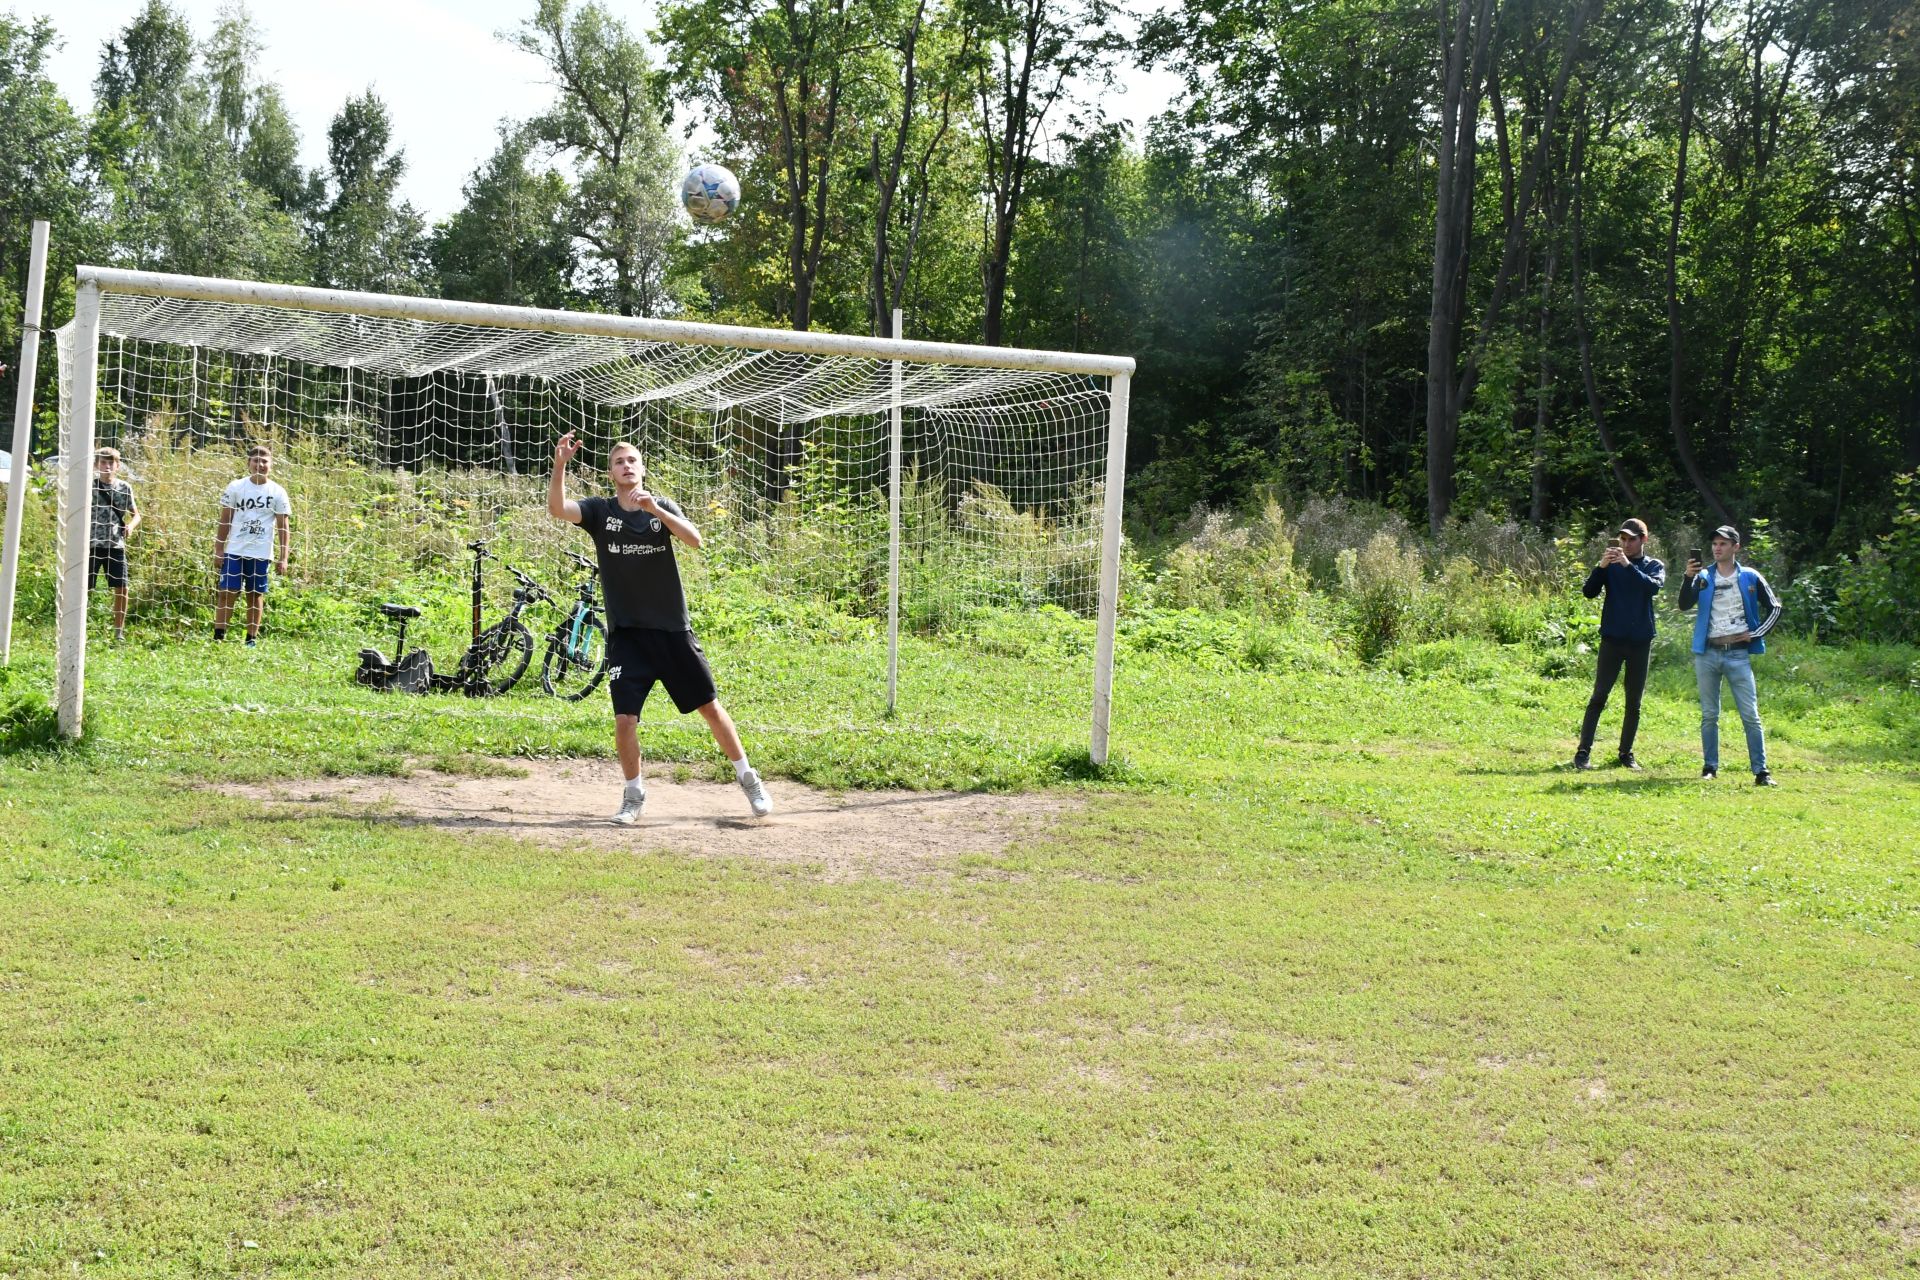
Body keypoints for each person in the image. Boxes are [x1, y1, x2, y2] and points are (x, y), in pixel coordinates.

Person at [547, 430, 773, 824]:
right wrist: (560, 464)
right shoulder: (600, 512)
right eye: (619, 462)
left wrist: (657, 511)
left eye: (632, 460)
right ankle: (633, 796)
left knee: (710, 708)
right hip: (628, 636)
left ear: (642, 469)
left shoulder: (660, 507)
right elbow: (557, 509)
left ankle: (749, 780)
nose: (626, 466)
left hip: (671, 631)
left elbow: (696, 540)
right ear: (611, 473)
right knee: (624, 720)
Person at [1678, 525, 1782, 785]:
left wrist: (1756, 634)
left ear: (1736, 547)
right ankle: (1710, 767)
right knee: (1709, 714)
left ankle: (1761, 772)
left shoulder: (1750, 576)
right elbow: (1683, 605)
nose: (1717, 548)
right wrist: (1686, 577)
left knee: (1750, 714)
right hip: (1708, 654)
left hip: (1738, 655)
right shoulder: (1702, 576)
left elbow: (1775, 608)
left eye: (1723, 544)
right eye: (1714, 543)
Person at [1572, 517, 1666, 770]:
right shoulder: (1610, 566)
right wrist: (1601, 567)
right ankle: (1583, 753)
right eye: (1622, 539)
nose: (1625, 544)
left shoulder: (1653, 565)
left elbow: (1651, 588)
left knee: (1633, 702)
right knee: (1599, 696)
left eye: (1631, 540)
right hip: (1612, 640)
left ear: (1643, 540)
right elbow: (1589, 592)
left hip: (1640, 642)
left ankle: (1626, 753)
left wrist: (1627, 565)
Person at [213, 444, 291, 646]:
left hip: (261, 553)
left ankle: (251, 640)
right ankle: (218, 637)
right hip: (234, 551)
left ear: (271, 465)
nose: (260, 464)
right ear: (249, 464)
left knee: (255, 595)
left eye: (264, 461)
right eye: (256, 460)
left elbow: (284, 527)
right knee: (227, 592)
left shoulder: (278, 492)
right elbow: (225, 520)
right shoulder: (236, 487)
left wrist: (284, 557)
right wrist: (219, 550)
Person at [88, 447, 140, 641]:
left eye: (111, 463)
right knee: (83, 588)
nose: (107, 466)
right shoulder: (90, 487)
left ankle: (119, 632)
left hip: (115, 545)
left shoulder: (124, 488)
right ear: (96, 465)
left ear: (117, 466)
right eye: (103, 463)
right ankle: (78, 628)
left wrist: (132, 526)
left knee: (122, 588)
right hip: (91, 545)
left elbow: (136, 514)